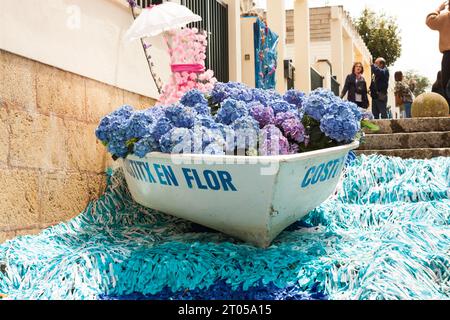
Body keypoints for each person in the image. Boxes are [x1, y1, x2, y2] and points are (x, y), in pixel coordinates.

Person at [426, 1, 450, 106]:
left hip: (448, 56)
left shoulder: (446, 16)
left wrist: (438, 9)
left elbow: (430, 21)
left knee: (446, 86)